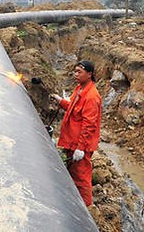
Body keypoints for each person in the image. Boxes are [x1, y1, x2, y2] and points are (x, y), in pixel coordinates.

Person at [50, 60, 102, 207]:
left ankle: (86, 208)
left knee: (81, 178)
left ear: (90, 74)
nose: (75, 74)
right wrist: (60, 101)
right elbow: (73, 108)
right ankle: (74, 203)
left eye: (79, 72)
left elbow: (89, 125)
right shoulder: (79, 89)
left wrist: (81, 148)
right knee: (74, 174)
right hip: (72, 140)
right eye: (75, 71)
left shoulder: (92, 96)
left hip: (80, 145)